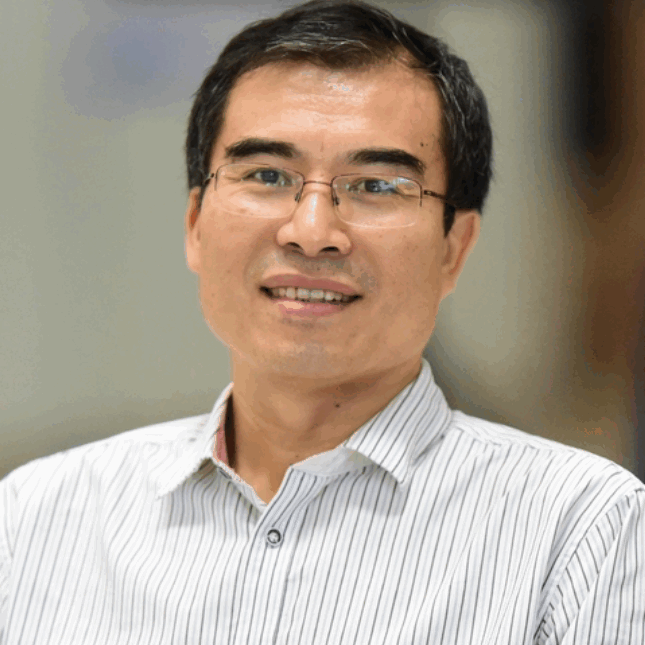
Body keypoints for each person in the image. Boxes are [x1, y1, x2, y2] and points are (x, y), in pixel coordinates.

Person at [1, 1, 643, 642]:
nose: (311, 231)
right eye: (267, 175)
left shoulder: (580, 530)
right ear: (195, 225)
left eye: (377, 186)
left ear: (454, 248)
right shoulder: (36, 519)